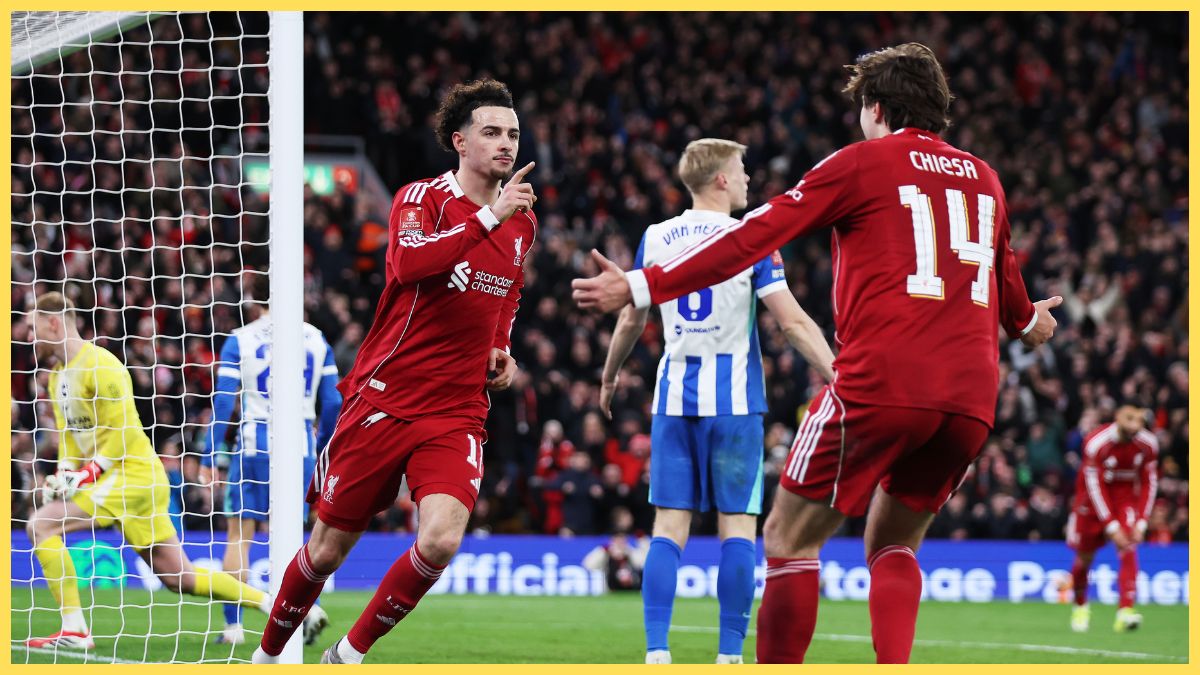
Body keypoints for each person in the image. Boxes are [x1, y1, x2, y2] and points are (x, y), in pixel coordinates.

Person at [572, 43, 1062, 663]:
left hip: (880, 384)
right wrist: (1028, 324)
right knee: (893, 544)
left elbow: (753, 235)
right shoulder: (985, 178)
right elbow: (1007, 283)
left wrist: (641, 283)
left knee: (787, 539)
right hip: (969, 402)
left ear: (876, 107)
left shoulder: (861, 163)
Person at [251, 78, 538, 664]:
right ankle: (267, 655)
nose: (504, 144)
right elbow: (408, 264)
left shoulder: (522, 224)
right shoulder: (421, 199)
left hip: (457, 408)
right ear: (460, 141)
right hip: (385, 395)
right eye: (491, 132)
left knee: (440, 539)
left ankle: (347, 656)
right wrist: (488, 216)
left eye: (511, 133)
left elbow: (507, 292)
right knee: (327, 550)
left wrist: (501, 345)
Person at [598, 138, 834, 664]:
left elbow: (632, 317)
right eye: (742, 169)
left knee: (668, 529)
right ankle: (729, 656)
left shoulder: (657, 237)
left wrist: (610, 375)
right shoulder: (751, 238)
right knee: (737, 530)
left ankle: (657, 652)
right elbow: (791, 321)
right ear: (722, 179)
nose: (748, 178)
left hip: (672, 398)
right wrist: (837, 373)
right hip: (734, 403)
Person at [24, 292, 273, 649]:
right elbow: (70, 438)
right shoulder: (56, 378)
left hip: (134, 476)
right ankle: (274, 605)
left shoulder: (102, 365)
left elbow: (124, 434)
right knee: (179, 577)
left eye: (33, 328)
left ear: (53, 322)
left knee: (41, 524)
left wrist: (85, 475)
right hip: (114, 481)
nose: (29, 337)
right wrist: (64, 472)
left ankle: (76, 630)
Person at [198, 285, 343, 646]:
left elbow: (223, 400)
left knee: (240, 535)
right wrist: (324, 445)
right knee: (296, 537)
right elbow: (332, 402)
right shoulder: (315, 338)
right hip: (300, 447)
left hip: (253, 444)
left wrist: (211, 453)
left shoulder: (241, 339)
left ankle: (233, 627)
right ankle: (309, 609)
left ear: (255, 302)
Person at [1066, 403, 1158, 633]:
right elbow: (1094, 485)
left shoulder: (1148, 445)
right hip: (1091, 504)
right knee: (1084, 560)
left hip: (1124, 501)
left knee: (1129, 547)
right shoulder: (1097, 443)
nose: (1134, 428)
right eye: (1129, 419)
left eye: (1138, 421)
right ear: (1118, 417)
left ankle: (1125, 611)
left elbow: (1149, 482)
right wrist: (1111, 525)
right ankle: (1080, 606)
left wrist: (1142, 520)